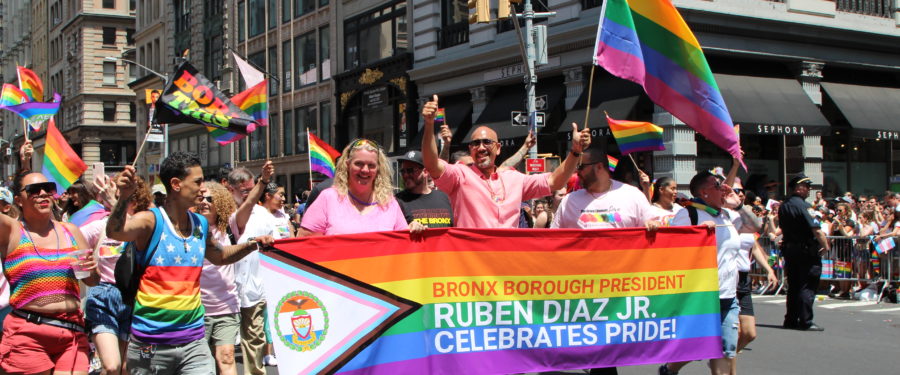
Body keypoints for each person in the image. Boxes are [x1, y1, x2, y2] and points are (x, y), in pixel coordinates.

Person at [106, 152, 275, 375]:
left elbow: (220, 256)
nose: (203, 188)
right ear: (176, 184)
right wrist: (124, 197)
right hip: (151, 344)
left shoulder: (200, 224)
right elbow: (116, 231)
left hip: (194, 341)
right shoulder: (151, 220)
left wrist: (252, 245)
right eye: (197, 181)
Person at [550, 146, 658, 375]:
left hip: (623, 289)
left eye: (581, 167)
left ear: (599, 166)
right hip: (584, 292)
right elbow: (553, 240)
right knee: (600, 353)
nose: (577, 172)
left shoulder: (631, 195)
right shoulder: (570, 201)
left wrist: (653, 225)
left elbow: (655, 223)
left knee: (608, 352)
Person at [420, 94, 590, 228]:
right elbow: (431, 164)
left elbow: (554, 181)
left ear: (498, 148)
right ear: (470, 149)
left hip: (507, 265)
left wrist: (575, 152)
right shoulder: (460, 175)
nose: (480, 147)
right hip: (472, 266)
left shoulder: (514, 178)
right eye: (475, 143)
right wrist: (428, 125)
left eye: (487, 142)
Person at [0, 171, 98, 374]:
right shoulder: (12, 231)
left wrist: (91, 269)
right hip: (28, 333)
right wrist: (24, 162)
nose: (44, 194)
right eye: (34, 190)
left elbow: (92, 280)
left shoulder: (71, 230)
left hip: (71, 331)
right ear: (18, 199)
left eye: (49, 188)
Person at [661, 171, 741, 375]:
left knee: (726, 351)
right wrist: (698, 236)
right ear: (704, 192)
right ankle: (670, 369)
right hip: (702, 296)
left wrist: (738, 204)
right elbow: (671, 249)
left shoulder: (728, 215)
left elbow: (756, 226)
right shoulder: (689, 215)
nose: (723, 189)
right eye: (717, 186)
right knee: (695, 348)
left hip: (728, 296)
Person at [82, 177, 152, 375]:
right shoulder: (100, 226)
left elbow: (133, 230)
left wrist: (116, 201)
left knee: (126, 368)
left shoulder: (147, 225)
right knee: (111, 366)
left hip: (136, 299)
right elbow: (71, 238)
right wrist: (85, 266)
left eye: (127, 198)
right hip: (104, 296)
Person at [300, 139, 425, 236]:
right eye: (359, 164)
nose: (365, 170)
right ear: (348, 165)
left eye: (371, 165)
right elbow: (304, 245)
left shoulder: (389, 203)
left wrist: (413, 229)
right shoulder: (328, 198)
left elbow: (402, 243)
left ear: (378, 169)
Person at [235, 181, 294, 370]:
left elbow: (286, 239)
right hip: (244, 278)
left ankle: (270, 352)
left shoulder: (276, 216)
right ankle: (264, 353)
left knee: (270, 319)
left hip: (270, 275)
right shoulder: (244, 214)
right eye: (280, 195)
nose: (283, 199)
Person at [778, 174, 830, 331]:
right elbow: (817, 230)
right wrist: (825, 246)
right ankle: (806, 320)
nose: (809, 190)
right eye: (807, 187)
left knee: (794, 285)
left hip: (790, 249)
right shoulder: (804, 206)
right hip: (806, 250)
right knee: (807, 285)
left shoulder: (784, 205)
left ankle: (791, 319)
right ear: (798, 188)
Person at [395, 150, 454, 228]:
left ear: (425, 172)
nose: (405, 175)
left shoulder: (443, 197)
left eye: (410, 170)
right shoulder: (397, 201)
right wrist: (407, 229)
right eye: (403, 171)